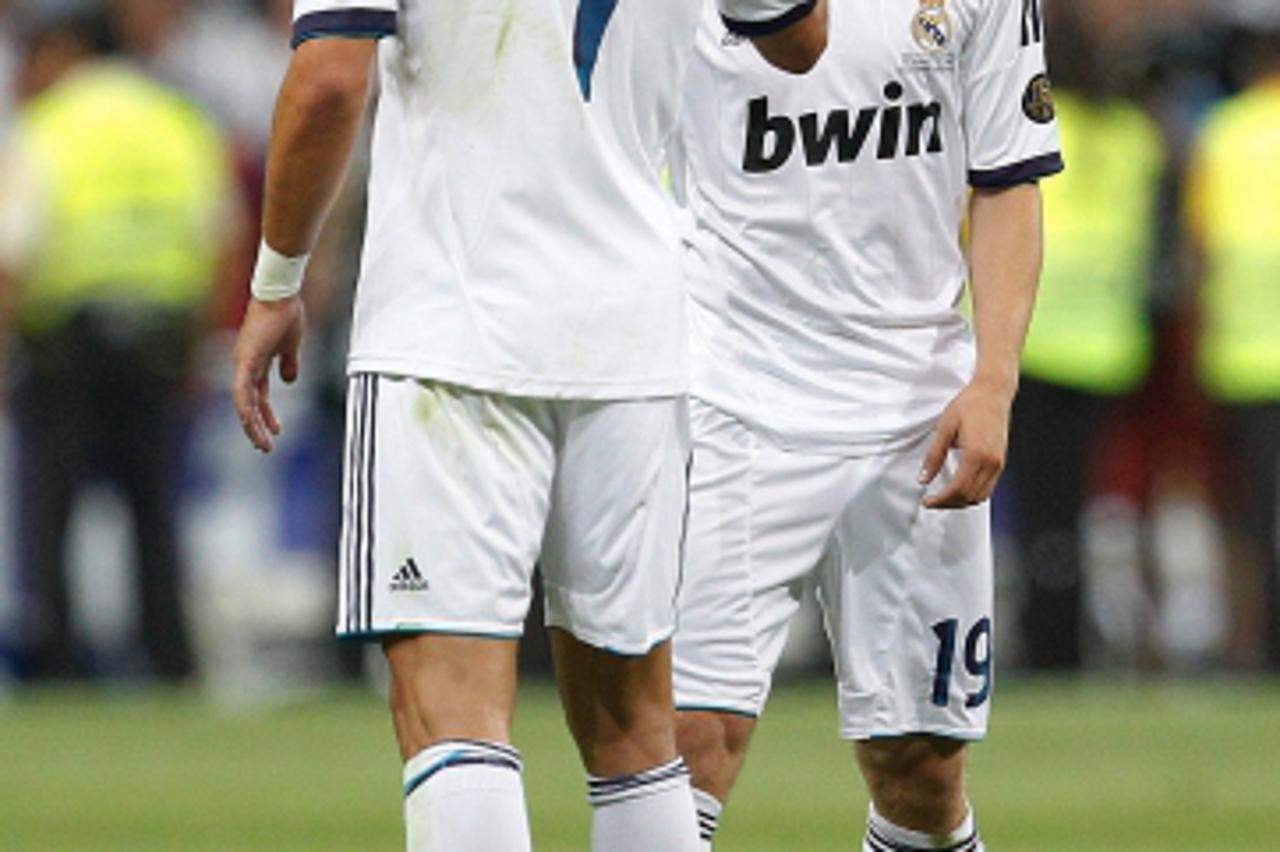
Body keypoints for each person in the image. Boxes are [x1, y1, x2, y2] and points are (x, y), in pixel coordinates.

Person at [230, 1, 826, 850]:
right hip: (635, 332)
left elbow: (330, 79)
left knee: (454, 716)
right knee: (635, 735)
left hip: (453, 332)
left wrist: (276, 282)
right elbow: (799, 38)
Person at [667, 0, 1061, 848]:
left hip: (914, 418)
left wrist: (993, 378)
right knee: (685, 743)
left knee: (920, 764)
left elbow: (1007, 176)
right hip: (729, 403)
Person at [0, 0, 234, 681]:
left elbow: (14, 251)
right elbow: (220, 237)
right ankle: (169, 658)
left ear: (66, 52)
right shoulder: (176, 118)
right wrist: (202, 344)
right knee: (156, 515)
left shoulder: (48, 125)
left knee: (52, 516)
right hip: (160, 342)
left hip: (63, 347)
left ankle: (57, 663)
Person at [1005, 0, 1164, 670]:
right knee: (1074, 511)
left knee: (1034, 515)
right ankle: (1067, 646)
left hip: (1030, 342)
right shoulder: (1135, 137)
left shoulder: (1028, 124)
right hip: (1105, 345)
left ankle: (1044, 645)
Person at [1187, 1, 1280, 671]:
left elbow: (1200, 248)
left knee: (1248, 517)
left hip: (1242, 355)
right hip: (1247, 353)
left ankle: (1249, 646)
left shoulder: (1221, 133)